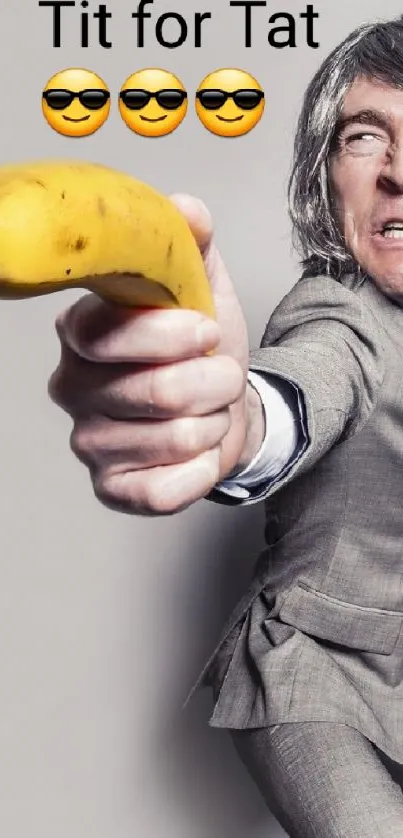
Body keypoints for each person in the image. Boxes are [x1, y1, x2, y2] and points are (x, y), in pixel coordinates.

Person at [47, 13, 403, 836]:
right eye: (363, 137)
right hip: (320, 675)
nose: (398, 171)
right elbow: (299, 390)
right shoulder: (335, 313)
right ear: (325, 175)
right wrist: (228, 423)